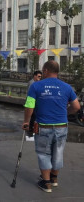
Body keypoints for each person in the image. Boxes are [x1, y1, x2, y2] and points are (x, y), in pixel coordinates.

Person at [22, 60, 80, 193]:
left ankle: (46, 182)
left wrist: (26, 121)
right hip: (62, 126)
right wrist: (66, 112)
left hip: (44, 126)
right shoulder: (67, 87)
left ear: (46, 70)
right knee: (58, 152)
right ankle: (54, 178)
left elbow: (29, 105)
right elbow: (76, 106)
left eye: (43, 70)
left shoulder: (36, 86)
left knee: (44, 153)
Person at [26, 70, 43, 137]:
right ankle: (31, 129)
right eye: (38, 76)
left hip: (35, 102)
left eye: (40, 77)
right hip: (32, 102)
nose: (39, 78)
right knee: (33, 116)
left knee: (34, 116)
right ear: (35, 76)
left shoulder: (35, 83)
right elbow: (30, 95)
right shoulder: (32, 83)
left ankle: (32, 128)